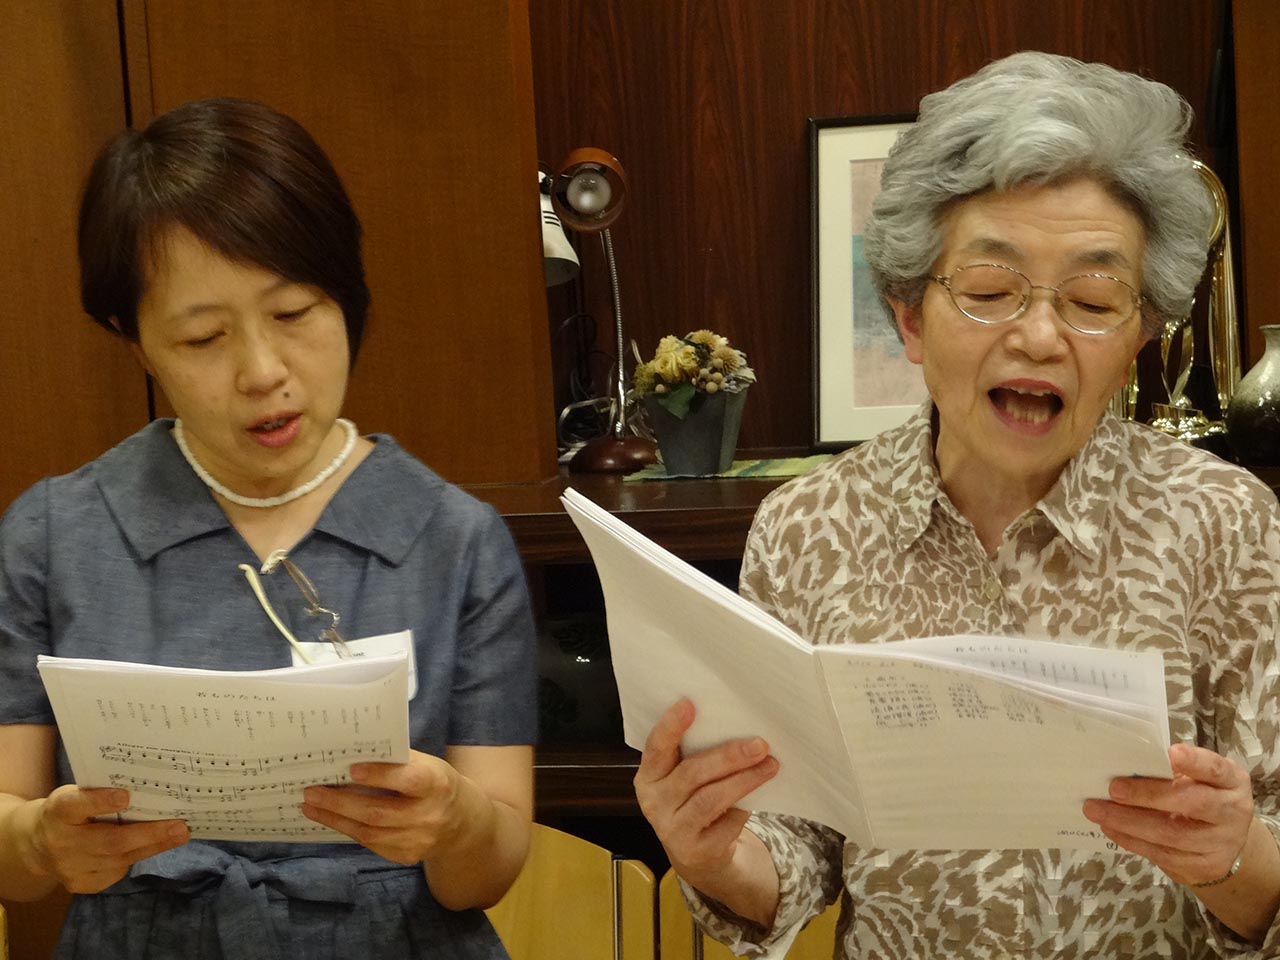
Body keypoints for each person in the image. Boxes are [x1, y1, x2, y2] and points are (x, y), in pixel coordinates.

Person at [634, 52, 1280, 958]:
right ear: (909, 316)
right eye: (988, 293)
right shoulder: (809, 528)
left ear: (1138, 334)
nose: (1040, 336)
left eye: (1093, 299)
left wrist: (1231, 856)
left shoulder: (1224, 521)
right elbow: (797, 845)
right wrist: (713, 855)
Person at [0, 98, 536, 959]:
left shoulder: (454, 538)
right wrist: (38, 841)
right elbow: (14, 861)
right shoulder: (56, 535)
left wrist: (459, 823)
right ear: (135, 341)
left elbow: (486, 873)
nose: (262, 371)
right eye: (203, 338)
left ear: (345, 294)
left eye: (292, 314)